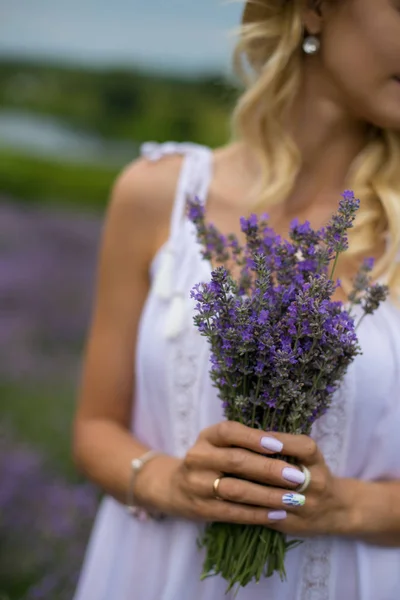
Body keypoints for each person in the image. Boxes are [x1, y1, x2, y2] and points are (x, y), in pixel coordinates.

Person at [72, 0, 400, 598]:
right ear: (316, 9)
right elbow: (95, 426)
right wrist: (170, 484)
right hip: (155, 574)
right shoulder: (158, 195)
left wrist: (343, 507)